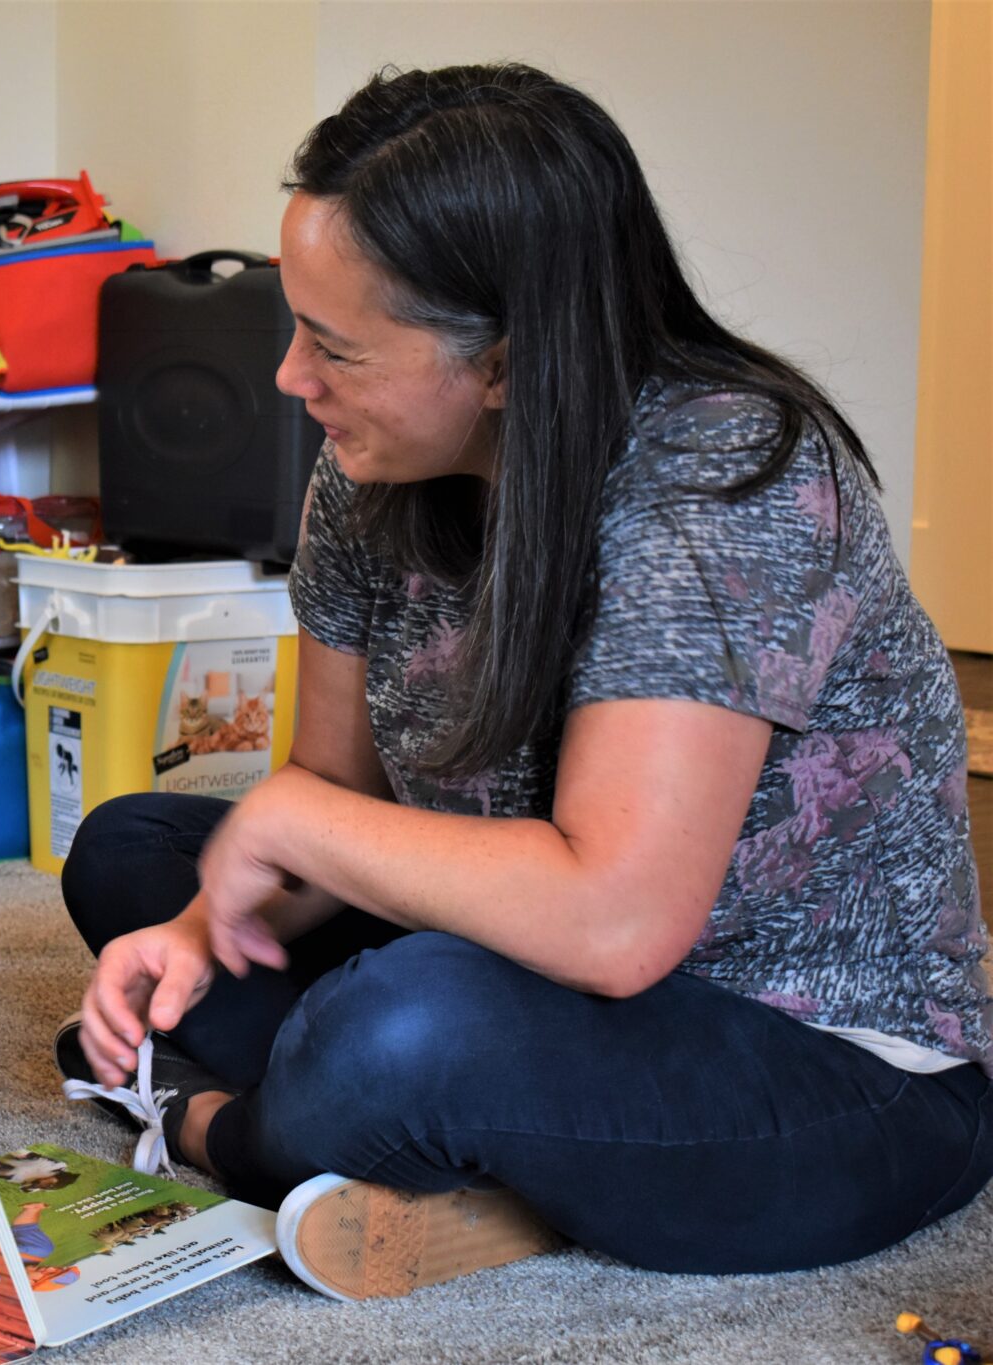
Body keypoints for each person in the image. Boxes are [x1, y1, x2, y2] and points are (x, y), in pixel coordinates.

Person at [59, 63, 991, 1302]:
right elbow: (329, 789)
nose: (289, 377)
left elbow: (612, 923)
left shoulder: (724, 478)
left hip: (819, 1066)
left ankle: (220, 1133)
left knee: (409, 1023)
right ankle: (426, 1141)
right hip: (517, 961)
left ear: (502, 363)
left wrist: (284, 835)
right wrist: (193, 929)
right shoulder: (367, 468)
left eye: (332, 345)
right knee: (132, 850)